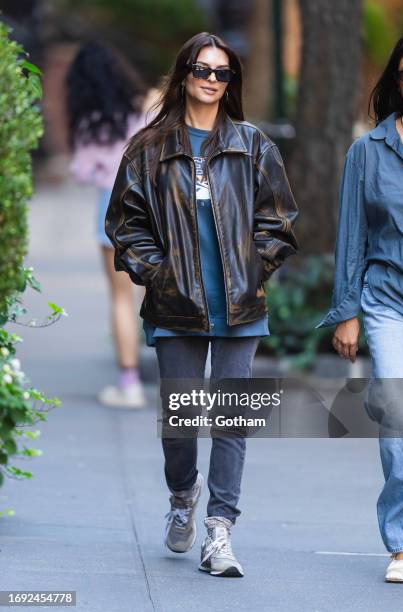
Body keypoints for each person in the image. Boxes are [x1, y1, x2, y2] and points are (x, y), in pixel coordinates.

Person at [105, 32, 298, 577]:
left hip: (241, 309)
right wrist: (159, 273)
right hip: (175, 308)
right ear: (184, 73)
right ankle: (181, 494)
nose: (211, 80)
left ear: (231, 82)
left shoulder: (254, 145)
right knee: (181, 425)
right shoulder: (149, 148)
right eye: (202, 69)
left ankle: (220, 530)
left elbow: (279, 220)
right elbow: (125, 223)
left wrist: (252, 268)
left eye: (222, 73)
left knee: (231, 420)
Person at [316, 35, 403, 583]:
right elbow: (351, 234)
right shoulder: (368, 151)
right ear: (395, 80)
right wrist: (346, 311)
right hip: (387, 297)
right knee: (397, 406)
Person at [66, 42, 150, 409]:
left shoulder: (93, 122)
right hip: (153, 208)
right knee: (157, 294)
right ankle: (181, 379)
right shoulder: (143, 110)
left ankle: (129, 384)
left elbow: (82, 171)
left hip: (112, 207)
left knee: (120, 298)